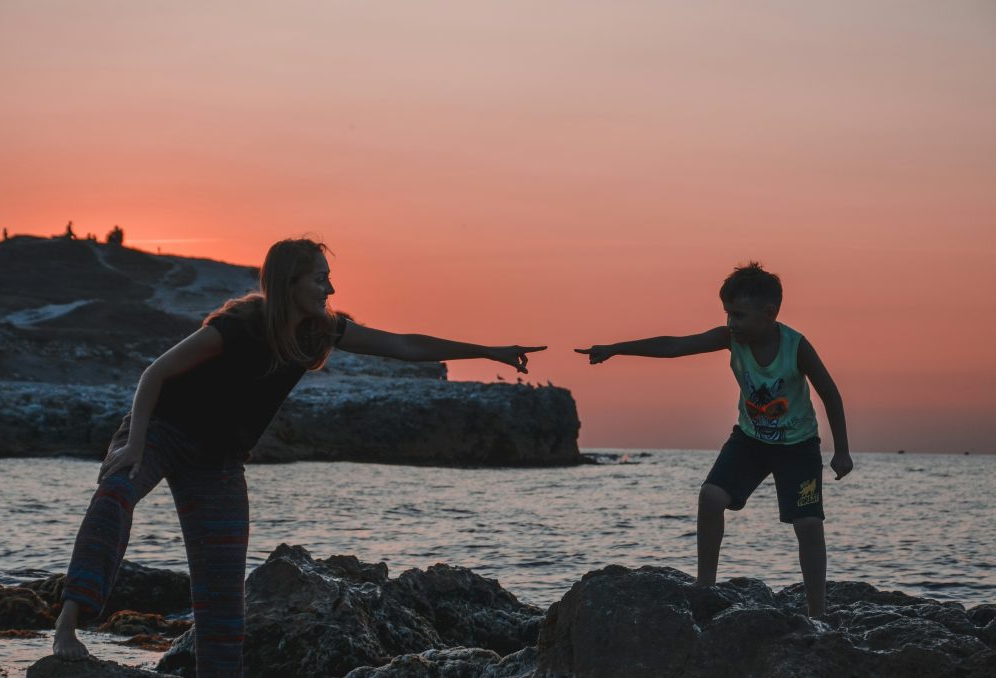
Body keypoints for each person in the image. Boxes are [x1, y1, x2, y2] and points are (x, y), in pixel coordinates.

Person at [51, 238, 545, 674]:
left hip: (218, 460)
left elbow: (405, 345)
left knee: (222, 585)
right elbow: (153, 376)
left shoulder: (319, 332)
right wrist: (134, 444)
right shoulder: (238, 324)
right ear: (291, 281)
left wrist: (489, 350)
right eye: (321, 279)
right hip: (159, 430)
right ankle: (68, 627)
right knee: (116, 494)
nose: (330, 290)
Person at [576, 262, 851, 616]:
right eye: (727, 314)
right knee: (710, 497)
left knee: (809, 525)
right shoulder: (729, 340)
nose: (731, 323)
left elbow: (830, 393)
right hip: (749, 441)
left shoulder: (796, 347)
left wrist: (841, 451)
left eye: (738, 315)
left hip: (797, 447)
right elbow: (674, 345)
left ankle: (818, 614)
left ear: (769, 314)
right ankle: (704, 585)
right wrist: (616, 347)